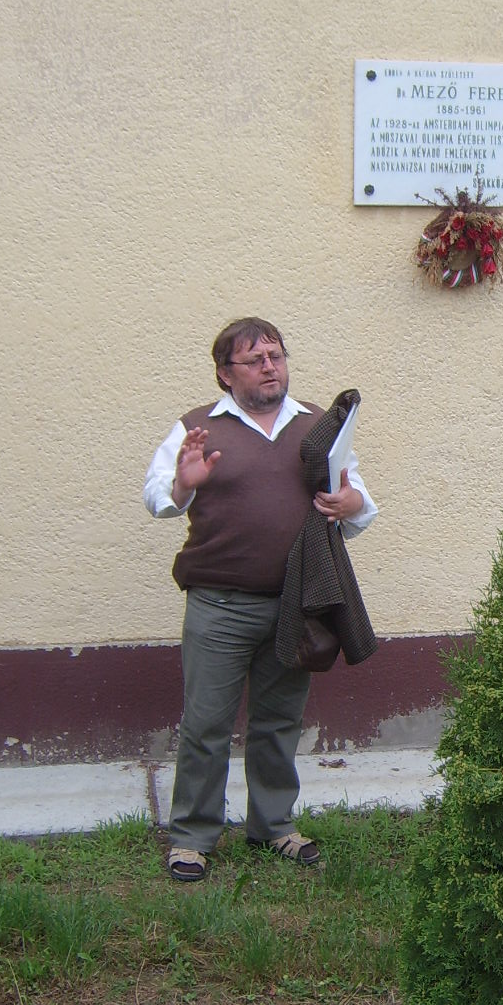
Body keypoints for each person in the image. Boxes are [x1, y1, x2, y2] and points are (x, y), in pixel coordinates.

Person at [144, 317, 377, 883]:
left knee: (278, 722)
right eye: (254, 359)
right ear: (226, 374)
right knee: (206, 725)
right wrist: (184, 484)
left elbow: (357, 497)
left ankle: (273, 826)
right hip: (219, 607)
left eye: (276, 355)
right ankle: (192, 837)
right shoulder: (198, 427)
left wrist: (351, 505)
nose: (270, 366)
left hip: (296, 603)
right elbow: (156, 497)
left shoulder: (317, 425)